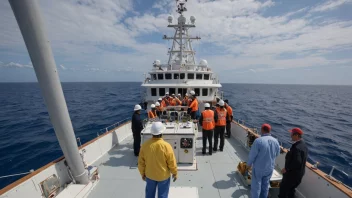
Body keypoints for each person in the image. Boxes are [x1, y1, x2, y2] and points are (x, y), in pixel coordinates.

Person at [138, 122, 178, 198]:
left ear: (152, 133)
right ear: (162, 132)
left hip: (149, 175)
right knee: (163, 195)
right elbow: (171, 162)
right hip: (163, 176)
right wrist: (175, 173)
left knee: (149, 195)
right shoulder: (166, 146)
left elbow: (141, 163)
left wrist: (142, 173)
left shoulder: (145, 145)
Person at [247, 124, 280, 198]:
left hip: (259, 168)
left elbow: (252, 155)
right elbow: (277, 153)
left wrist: (248, 165)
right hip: (269, 168)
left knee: (256, 186)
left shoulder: (258, 141)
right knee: (265, 186)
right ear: (269, 130)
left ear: (262, 130)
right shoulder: (276, 141)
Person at [278, 128, 308, 198]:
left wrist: (286, 169)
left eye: (292, 134)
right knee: (291, 190)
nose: (290, 135)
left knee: (283, 191)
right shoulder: (304, 145)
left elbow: (297, 162)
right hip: (299, 175)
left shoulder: (296, 148)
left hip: (291, 175)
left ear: (296, 135)